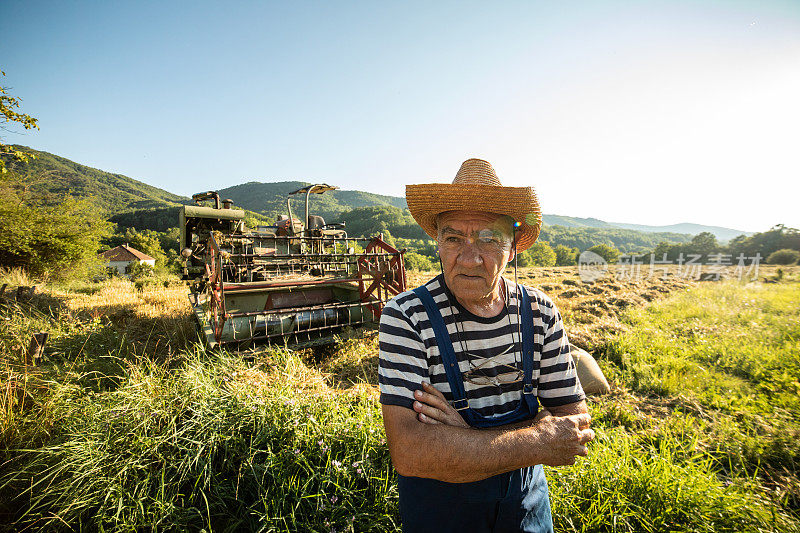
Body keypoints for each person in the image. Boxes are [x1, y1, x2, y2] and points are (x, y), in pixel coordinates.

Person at [378, 158, 594, 532]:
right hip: (441, 516)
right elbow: (412, 453)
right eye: (454, 238)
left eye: (489, 238)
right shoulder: (406, 316)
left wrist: (460, 439)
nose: (469, 257)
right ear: (438, 246)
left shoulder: (539, 311)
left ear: (513, 247)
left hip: (527, 511)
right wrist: (536, 438)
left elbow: (573, 427)